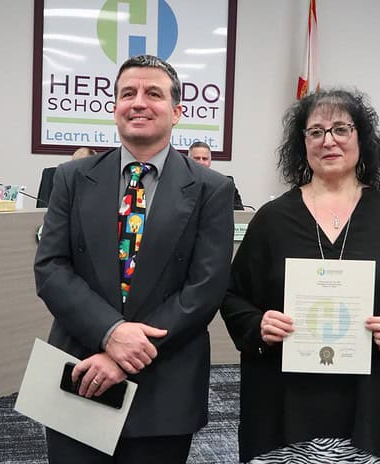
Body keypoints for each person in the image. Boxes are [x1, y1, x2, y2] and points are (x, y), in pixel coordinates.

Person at [34, 54, 235, 464]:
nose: (138, 102)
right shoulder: (71, 178)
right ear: (114, 108)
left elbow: (206, 287)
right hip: (82, 368)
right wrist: (110, 333)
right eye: (128, 93)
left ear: (177, 112)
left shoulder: (212, 189)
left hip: (164, 380)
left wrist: (126, 352)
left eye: (153, 94)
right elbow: (51, 268)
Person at [220, 89, 380, 463]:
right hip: (281, 400)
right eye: (316, 132)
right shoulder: (272, 219)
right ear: (301, 144)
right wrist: (258, 325)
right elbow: (231, 296)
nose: (328, 141)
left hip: (365, 401)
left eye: (341, 129)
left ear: (361, 139)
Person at [188, 141, 244, 210]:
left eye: (205, 159)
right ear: (188, 160)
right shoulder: (179, 183)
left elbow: (239, 214)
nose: (201, 162)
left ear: (210, 161)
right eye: (197, 158)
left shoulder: (225, 185)